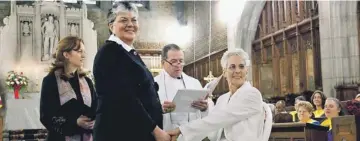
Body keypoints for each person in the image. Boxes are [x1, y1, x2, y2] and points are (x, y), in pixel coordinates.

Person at [92, 2, 168, 141]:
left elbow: (140, 92)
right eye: (123, 20)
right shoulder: (109, 53)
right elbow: (124, 98)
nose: (130, 24)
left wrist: (158, 106)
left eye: (134, 20)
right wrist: (155, 130)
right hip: (119, 133)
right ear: (111, 26)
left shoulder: (128, 52)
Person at [167, 48, 272, 141]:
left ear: (246, 71)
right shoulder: (222, 99)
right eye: (232, 67)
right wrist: (181, 138)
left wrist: (182, 130)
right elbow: (211, 127)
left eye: (241, 66)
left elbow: (219, 119)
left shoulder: (252, 94)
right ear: (225, 72)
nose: (237, 71)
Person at [40, 36, 97, 141]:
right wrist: (75, 122)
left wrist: (94, 121)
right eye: (79, 51)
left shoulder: (87, 82)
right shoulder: (51, 81)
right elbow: (46, 116)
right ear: (66, 54)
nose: (84, 55)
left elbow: (96, 108)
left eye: (84, 52)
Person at [154, 44, 214, 135]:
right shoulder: (153, 83)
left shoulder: (194, 82)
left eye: (181, 61)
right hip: (167, 134)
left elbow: (208, 105)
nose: (178, 65)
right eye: (173, 61)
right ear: (163, 63)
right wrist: (159, 109)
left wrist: (204, 108)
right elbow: (145, 111)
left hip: (191, 135)